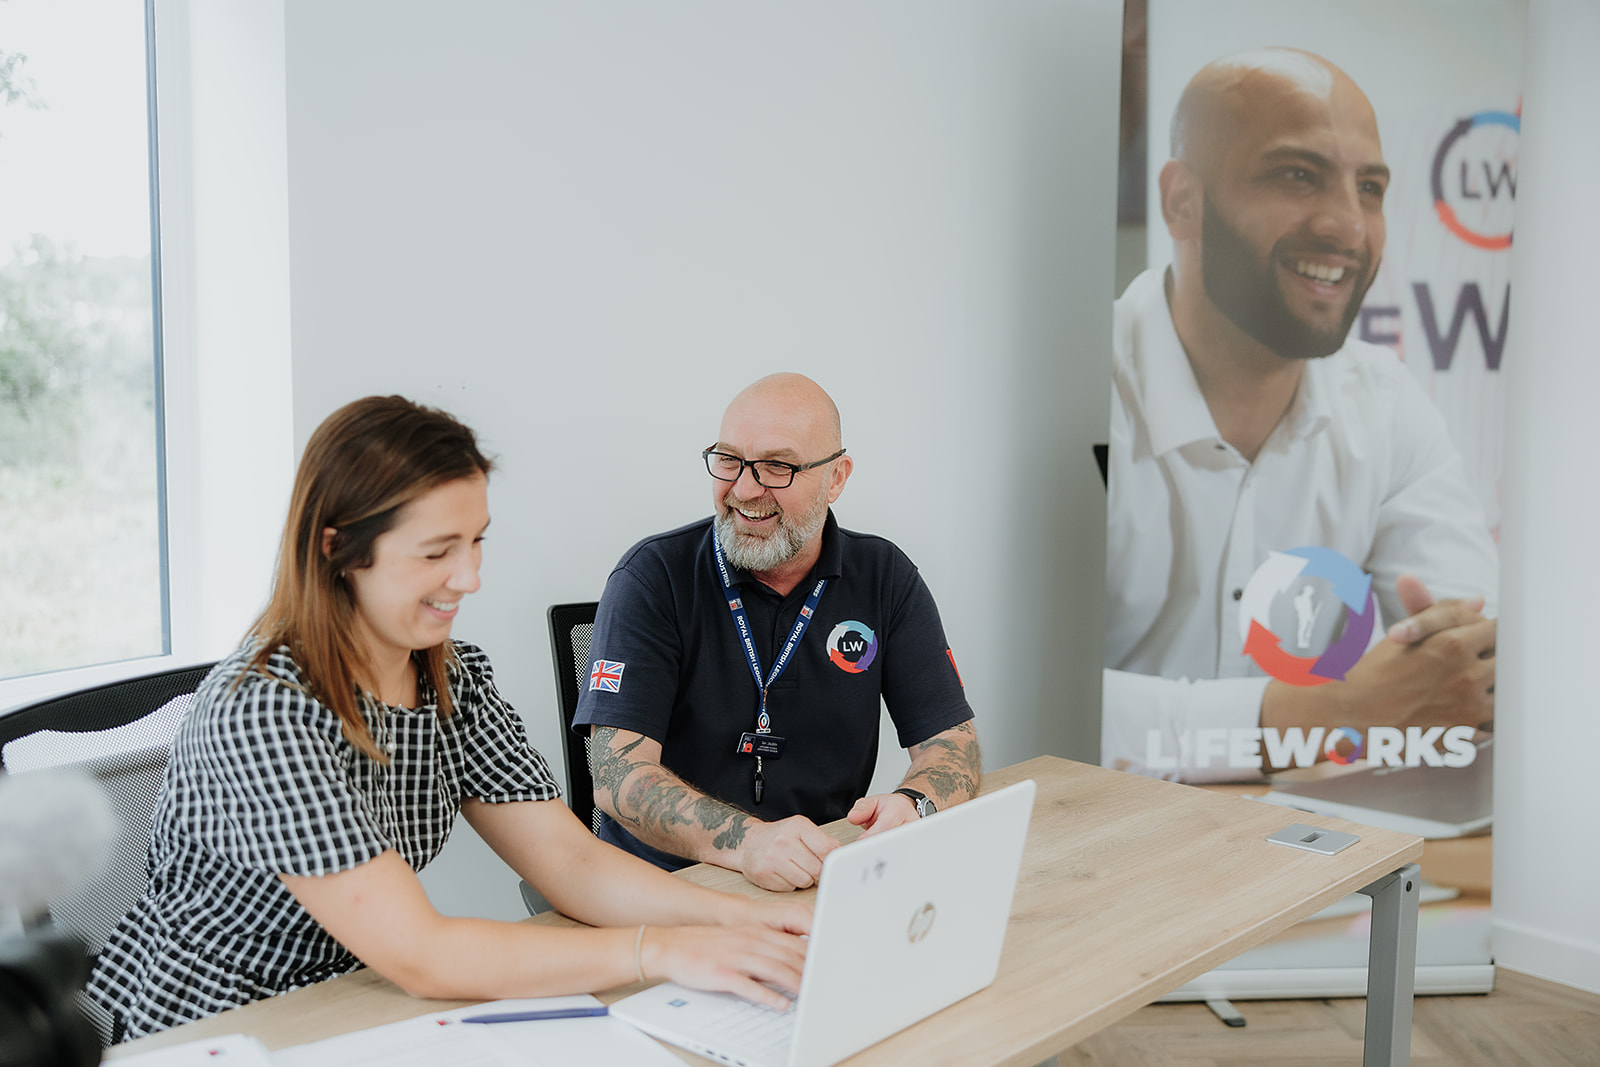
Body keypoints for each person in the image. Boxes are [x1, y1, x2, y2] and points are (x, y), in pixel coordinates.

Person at [87, 396, 809, 1041]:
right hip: (222, 1023)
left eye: (477, 540)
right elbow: (422, 950)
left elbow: (572, 860)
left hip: (358, 996)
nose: (470, 577)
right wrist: (656, 949)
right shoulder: (265, 708)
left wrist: (741, 921)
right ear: (338, 548)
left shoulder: (448, 671)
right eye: (438, 551)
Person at [1103, 48, 1499, 783]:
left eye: (1371, 187)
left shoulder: (1385, 403)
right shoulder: (1076, 392)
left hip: (1310, 864)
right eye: (1297, 175)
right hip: (1081, 862)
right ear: (1181, 201)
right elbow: (1012, 703)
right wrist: (1315, 714)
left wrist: (1454, 670)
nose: (1348, 226)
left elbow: (1474, 665)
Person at [573, 373, 981, 891]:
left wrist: (913, 805)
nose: (744, 490)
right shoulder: (652, 577)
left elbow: (952, 743)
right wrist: (747, 842)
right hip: (666, 886)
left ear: (836, 478)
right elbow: (614, 775)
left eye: (777, 467)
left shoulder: (885, 577)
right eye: (728, 460)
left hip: (814, 877)